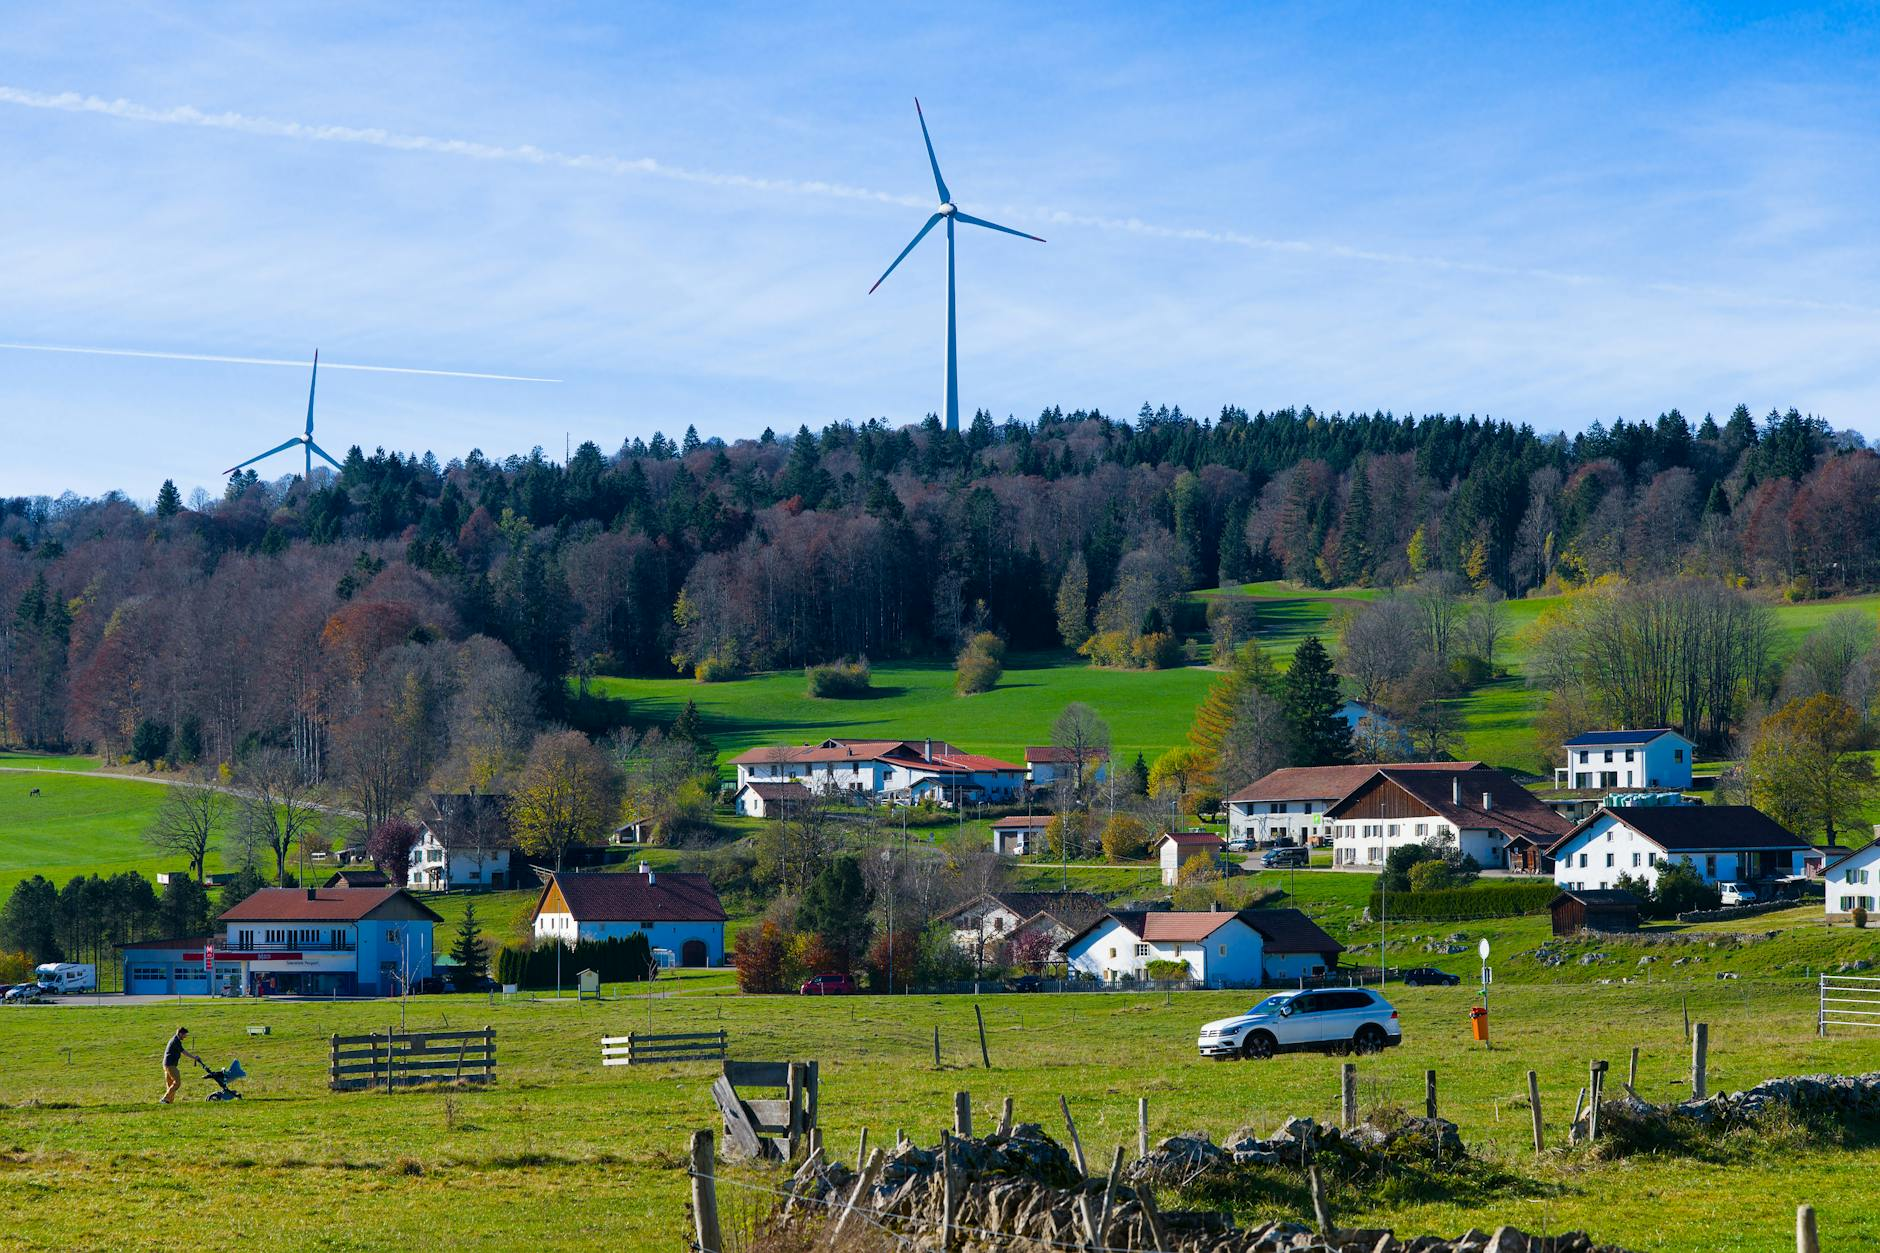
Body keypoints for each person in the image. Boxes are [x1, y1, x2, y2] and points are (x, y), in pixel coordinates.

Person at [160, 1026, 199, 1104]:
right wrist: (194, 1057)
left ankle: (169, 1101)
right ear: (180, 1034)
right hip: (170, 1065)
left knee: (170, 1084)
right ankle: (165, 1098)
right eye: (185, 1035)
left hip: (166, 1064)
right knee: (177, 1083)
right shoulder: (176, 1041)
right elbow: (183, 1052)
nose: (185, 1037)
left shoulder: (174, 1039)